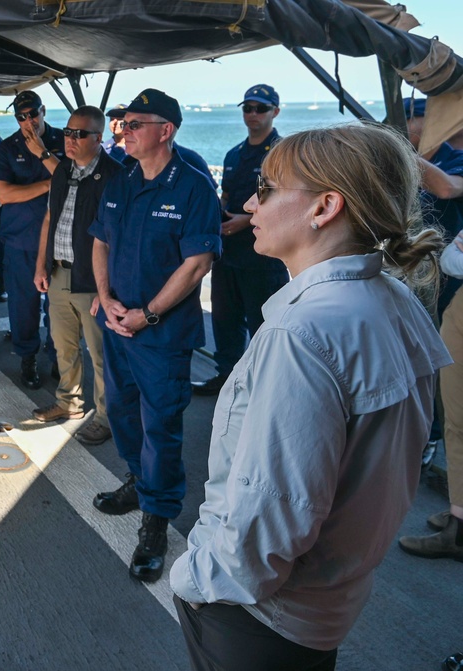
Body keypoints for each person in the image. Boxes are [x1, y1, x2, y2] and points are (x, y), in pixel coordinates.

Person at [169, 122, 450, 671]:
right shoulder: (393, 298)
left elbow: (271, 515)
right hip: (327, 604)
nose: (251, 203)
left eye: (267, 189)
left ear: (324, 208)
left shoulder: (300, 334)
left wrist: (197, 579)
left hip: (258, 617)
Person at [89, 89, 221, 583]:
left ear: (165, 131)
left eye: (134, 123)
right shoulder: (122, 180)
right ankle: (137, 482)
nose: (122, 130)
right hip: (118, 324)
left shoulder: (192, 185)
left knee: (160, 427)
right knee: (123, 413)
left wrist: (146, 313)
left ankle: (156, 522)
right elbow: (101, 240)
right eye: (121, 122)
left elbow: (198, 264)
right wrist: (105, 297)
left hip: (159, 335)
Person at [398, 98, 463, 562]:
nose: (407, 125)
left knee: (451, 396)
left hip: (448, 284)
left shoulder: (450, 161)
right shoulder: (439, 156)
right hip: (428, 273)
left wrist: (399, 151)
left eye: (412, 117)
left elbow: (444, 190)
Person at [193, 84, 290, 395]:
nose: (252, 114)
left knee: (263, 324)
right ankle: (227, 379)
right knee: (225, 320)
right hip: (229, 253)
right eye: (247, 108)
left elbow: (286, 200)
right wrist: (218, 213)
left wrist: (244, 221)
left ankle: (263, 388)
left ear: (275, 111)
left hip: (263, 256)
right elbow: (226, 194)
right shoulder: (234, 153)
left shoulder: (282, 153)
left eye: (260, 108)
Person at [33, 106, 121, 446]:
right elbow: (49, 218)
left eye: (79, 134)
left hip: (92, 282)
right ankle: (68, 402)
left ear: (98, 138)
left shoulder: (115, 176)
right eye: (68, 132)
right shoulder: (62, 170)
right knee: (63, 345)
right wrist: (41, 265)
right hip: (59, 273)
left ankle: (105, 416)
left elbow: (119, 239)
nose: (70, 139)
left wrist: (106, 289)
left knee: (100, 354)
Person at [0, 90, 65, 389]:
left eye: (32, 113)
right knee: (23, 305)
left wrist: (44, 156)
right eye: (21, 116)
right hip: (21, 238)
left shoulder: (65, 140)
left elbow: (77, 180)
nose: (28, 121)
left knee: (60, 306)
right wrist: (51, 183)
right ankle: (27, 357)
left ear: (43, 111)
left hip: (62, 240)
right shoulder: (7, 148)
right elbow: (4, 194)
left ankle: (60, 356)